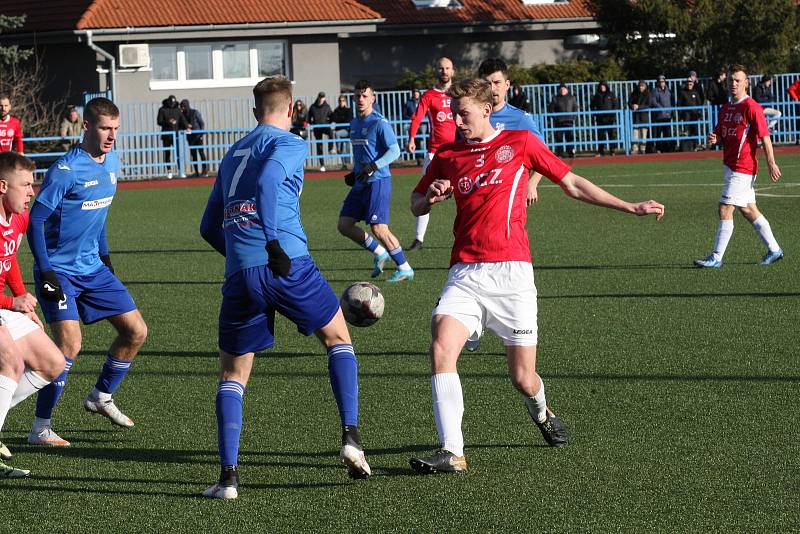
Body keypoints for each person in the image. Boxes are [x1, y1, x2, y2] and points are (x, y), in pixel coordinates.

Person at [407, 78, 664, 474]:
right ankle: (452, 451)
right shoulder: (448, 155)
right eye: (454, 114)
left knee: (523, 378)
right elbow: (415, 203)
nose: (456, 121)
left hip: (512, 274)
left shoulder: (521, 142)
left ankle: (542, 413)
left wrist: (630, 207)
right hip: (465, 271)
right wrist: (430, 197)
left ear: (486, 110)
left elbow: (573, 184)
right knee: (441, 346)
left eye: (464, 113)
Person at [199, 76, 371, 500]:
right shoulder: (291, 144)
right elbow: (268, 183)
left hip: (241, 273)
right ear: (291, 109)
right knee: (337, 339)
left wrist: (244, 261)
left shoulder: (232, 152)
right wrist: (272, 242)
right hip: (287, 262)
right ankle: (351, 438)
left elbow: (207, 227)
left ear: (254, 110)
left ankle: (228, 479)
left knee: (233, 374)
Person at [25, 97, 149, 448]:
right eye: (105, 128)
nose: (111, 136)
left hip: (93, 268)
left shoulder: (112, 162)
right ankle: (40, 428)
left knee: (136, 331)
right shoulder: (66, 169)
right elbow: (36, 220)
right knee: (69, 345)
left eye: (115, 129)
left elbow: (99, 216)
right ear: (87, 127)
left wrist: (105, 258)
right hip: (60, 271)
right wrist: (46, 271)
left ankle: (101, 396)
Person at [0, 151, 65, 477]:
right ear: (2, 186)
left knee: (52, 362)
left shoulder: (18, 218)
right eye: (25, 184)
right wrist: (13, 304)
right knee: (10, 361)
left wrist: (21, 297)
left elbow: (8, 260)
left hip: (2, 304)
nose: (32, 191)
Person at [695, 64, 783, 268]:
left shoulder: (752, 107)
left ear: (746, 83)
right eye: (730, 80)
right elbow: (720, 135)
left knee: (725, 208)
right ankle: (775, 249)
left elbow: (765, 137)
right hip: (729, 165)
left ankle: (716, 257)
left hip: (743, 167)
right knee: (749, 210)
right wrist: (714, 138)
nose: (733, 84)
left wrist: (771, 162)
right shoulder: (725, 108)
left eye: (737, 80)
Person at [337, 80, 412, 283]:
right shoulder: (354, 123)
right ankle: (380, 252)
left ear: (373, 98)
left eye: (365, 95)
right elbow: (359, 153)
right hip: (361, 182)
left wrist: (374, 166)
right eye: (358, 96)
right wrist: (355, 172)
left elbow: (395, 150)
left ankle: (404, 267)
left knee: (379, 228)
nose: (361, 99)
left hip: (378, 181)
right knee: (344, 225)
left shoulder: (379, 123)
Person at [405, 57, 457, 252]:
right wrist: (411, 138)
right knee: (425, 193)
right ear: (436, 70)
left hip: (459, 153)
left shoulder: (459, 94)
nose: (444, 71)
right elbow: (417, 117)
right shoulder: (429, 95)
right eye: (441, 68)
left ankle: (465, 236)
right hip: (435, 153)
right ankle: (418, 239)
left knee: (467, 193)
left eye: (447, 68)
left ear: (453, 71)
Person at [156, 95, 187, 178]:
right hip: (166, 135)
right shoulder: (162, 110)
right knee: (167, 153)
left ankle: (180, 171)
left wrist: (187, 126)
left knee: (179, 153)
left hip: (176, 135)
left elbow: (182, 120)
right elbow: (159, 121)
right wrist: (168, 121)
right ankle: (169, 171)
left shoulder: (177, 110)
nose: (172, 104)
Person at [548, 83, 577, 157]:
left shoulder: (572, 97)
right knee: (559, 138)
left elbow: (575, 108)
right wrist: (555, 118)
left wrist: (573, 117)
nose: (562, 90)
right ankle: (560, 153)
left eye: (564, 89)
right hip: (559, 121)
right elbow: (551, 109)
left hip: (569, 121)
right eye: (561, 89)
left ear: (567, 90)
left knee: (570, 137)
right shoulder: (555, 98)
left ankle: (571, 152)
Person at [590, 81, 619, 156]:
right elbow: (592, 106)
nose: (602, 87)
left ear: (606, 86)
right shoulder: (596, 95)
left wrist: (613, 114)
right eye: (601, 86)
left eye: (603, 86)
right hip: (600, 118)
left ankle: (612, 150)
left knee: (611, 134)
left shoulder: (611, 94)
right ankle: (600, 151)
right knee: (601, 135)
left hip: (610, 118)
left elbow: (615, 105)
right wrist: (595, 114)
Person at [180, 99, 208, 177]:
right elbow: (182, 125)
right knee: (193, 154)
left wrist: (201, 134)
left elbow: (201, 123)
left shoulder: (195, 112)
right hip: (190, 137)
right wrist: (186, 127)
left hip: (198, 136)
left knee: (201, 153)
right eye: (181, 107)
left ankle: (205, 171)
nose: (182, 108)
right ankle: (196, 172)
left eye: (183, 106)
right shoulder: (182, 115)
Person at [308, 91, 333, 172]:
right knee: (319, 146)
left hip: (325, 126)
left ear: (324, 98)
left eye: (323, 97)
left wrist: (329, 121)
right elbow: (308, 118)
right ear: (318, 97)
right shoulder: (313, 107)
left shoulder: (327, 106)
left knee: (330, 132)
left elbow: (331, 116)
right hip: (317, 128)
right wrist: (312, 123)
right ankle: (322, 165)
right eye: (320, 97)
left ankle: (331, 148)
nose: (321, 99)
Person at [677, 77, 703, 152]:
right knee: (686, 131)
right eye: (688, 83)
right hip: (686, 115)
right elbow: (679, 104)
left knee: (695, 131)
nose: (689, 84)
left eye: (691, 83)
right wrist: (681, 114)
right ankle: (685, 147)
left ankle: (696, 145)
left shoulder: (695, 92)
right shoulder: (682, 92)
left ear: (693, 84)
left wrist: (699, 112)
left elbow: (699, 103)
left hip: (694, 115)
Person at [650, 75, 673, 153]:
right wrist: (661, 109)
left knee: (667, 133)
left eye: (663, 81)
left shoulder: (668, 90)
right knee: (658, 133)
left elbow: (671, 101)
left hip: (667, 116)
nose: (661, 83)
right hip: (659, 116)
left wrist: (669, 111)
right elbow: (654, 102)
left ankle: (667, 148)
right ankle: (658, 148)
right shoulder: (654, 91)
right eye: (660, 81)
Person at [629, 80, 651, 155]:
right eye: (640, 86)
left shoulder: (648, 94)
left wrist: (639, 107)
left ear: (645, 86)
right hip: (635, 117)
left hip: (644, 117)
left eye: (642, 86)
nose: (641, 87)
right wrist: (632, 106)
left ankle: (643, 149)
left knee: (643, 135)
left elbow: (648, 105)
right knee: (635, 135)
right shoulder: (634, 93)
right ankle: (634, 149)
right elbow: (629, 102)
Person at [330, 95, 353, 170]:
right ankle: (344, 164)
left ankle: (348, 163)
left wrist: (340, 119)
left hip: (347, 131)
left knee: (347, 148)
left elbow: (348, 120)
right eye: (340, 100)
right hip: (339, 131)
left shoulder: (348, 110)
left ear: (345, 101)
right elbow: (334, 119)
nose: (341, 102)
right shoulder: (336, 110)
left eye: (343, 100)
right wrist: (341, 119)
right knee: (343, 149)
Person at [789, 77, 800, 144]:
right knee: (798, 121)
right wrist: (796, 98)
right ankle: (798, 138)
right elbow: (791, 90)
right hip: (799, 103)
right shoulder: (798, 82)